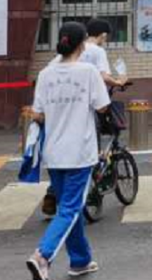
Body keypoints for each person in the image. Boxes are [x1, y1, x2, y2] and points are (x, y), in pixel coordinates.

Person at [26, 22, 110, 280]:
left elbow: (38, 114)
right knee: (72, 209)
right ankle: (43, 255)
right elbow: (103, 107)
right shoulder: (88, 72)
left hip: (53, 152)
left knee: (68, 209)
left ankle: (80, 260)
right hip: (79, 152)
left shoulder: (46, 73)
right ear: (82, 45)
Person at [41, 17, 128, 218]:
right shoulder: (96, 52)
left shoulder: (55, 62)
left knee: (62, 155)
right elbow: (103, 79)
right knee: (90, 151)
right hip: (85, 109)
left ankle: (53, 193)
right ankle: (90, 192)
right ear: (103, 35)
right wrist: (119, 81)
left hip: (58, 114)